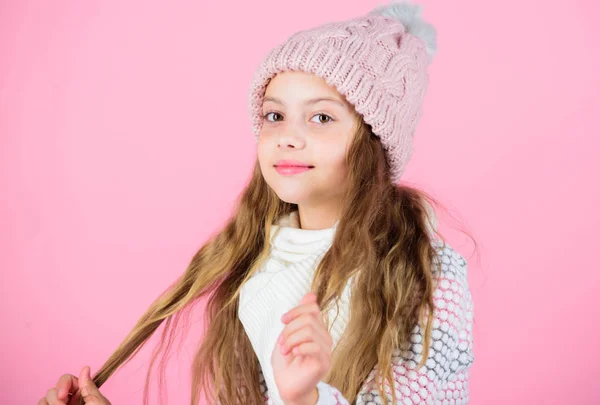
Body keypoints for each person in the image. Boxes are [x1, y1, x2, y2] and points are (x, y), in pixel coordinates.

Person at [39, 1, 476, 404]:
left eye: (321, 117)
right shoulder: (264, 260)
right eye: (274, 115)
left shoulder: (426, 272)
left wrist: (308, 397)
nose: (287, 136)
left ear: (374, 142)